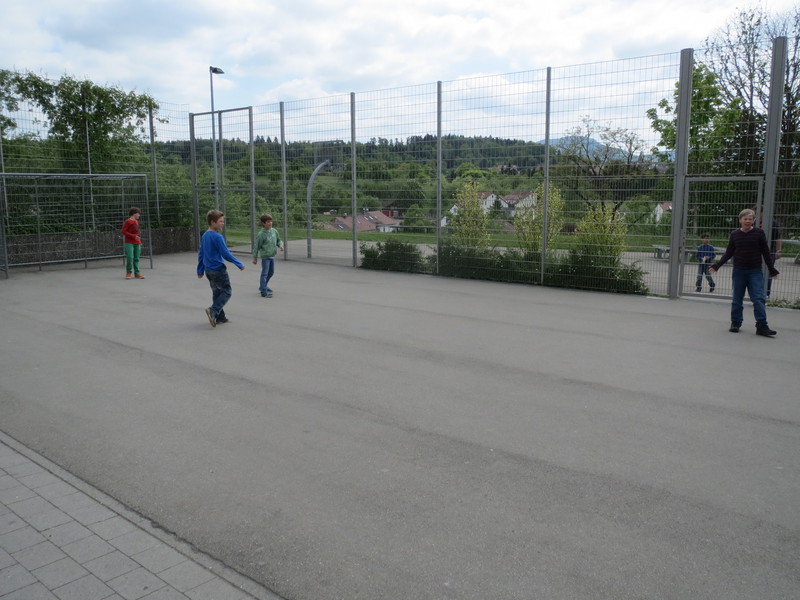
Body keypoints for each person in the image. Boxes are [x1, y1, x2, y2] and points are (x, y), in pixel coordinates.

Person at [709, 208, 779, 336]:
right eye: (745, 219)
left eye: (750, 219)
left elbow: (765, 252)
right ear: (740, 220)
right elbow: (729, 252)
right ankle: (736, 322)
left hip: (755, 271)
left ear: (753, 220)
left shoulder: (759, 233)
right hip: (739, 271)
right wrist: (717, 265)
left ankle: (762, 325)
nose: (748, 221)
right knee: (737, 299)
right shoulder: (735, 234)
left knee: (758, 298)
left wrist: (772, 269)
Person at [197, 210, 244, 327]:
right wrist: (239, 263)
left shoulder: (205, 235)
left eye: (223, 221)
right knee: (227, 291)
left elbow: (201, 253)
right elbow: (225, 253)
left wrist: (200, 269)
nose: (223, 223)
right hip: (218, 269)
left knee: (217, 293)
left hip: (208, 270)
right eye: (220, 221)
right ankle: (213, 310)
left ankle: (219, 317)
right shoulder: (218, 237)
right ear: (212, 222)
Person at [252, 213, 284, 297]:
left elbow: (278, 240)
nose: (270, 223)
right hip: (265, 257)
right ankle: (263, 291)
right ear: (263, 223)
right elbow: (256, 246)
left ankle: (263, 286)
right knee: (264, 273)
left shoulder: (274, 231)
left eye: (271, 221)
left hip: (272, 256)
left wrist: (280, 245)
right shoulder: (261, 234)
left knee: (271, 272)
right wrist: (255, 258)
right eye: (268, 222)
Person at [121, 207, 144, 279]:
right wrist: (134, 236)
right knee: (130, 257)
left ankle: (137, 273)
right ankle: (128, 273)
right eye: (138, 214)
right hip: (129, 242)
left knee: (136, 258)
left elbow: (137, 233)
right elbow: (123, 231)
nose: (139, 215)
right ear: (134, 214)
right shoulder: (128, 221)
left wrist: (139, 241)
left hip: (137, 242)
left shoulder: (136, 222)